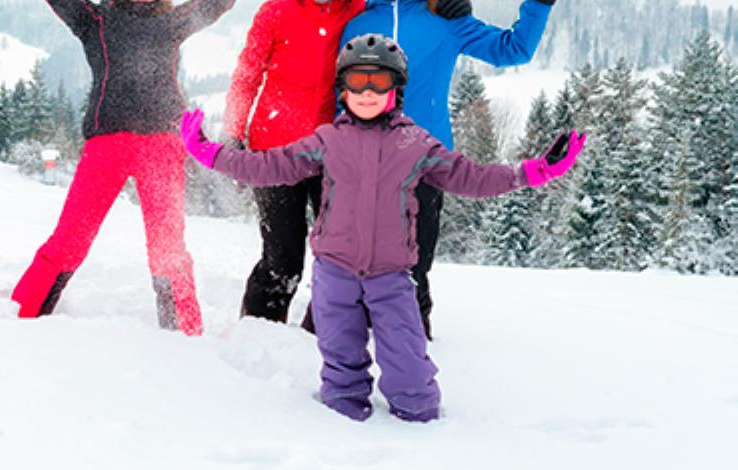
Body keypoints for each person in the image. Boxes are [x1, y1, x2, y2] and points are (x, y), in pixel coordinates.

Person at [181, 34, 585, 420]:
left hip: (391, 277)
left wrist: (536, 171)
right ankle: (344, 432)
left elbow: (474, 177)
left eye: (379, 81)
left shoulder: (417, 144)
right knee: (341, 368)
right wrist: (208, 151)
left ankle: (421, 429)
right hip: (334, 273)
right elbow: (266, 167)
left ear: (397, 89)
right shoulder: (326, 140)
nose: (368, 91)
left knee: (409, 369)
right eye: (358, 81)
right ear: (343, 88)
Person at [4, 0, 262, 336]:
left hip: (162, 145)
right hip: (106, 144)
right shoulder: (94, 21)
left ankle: (184, 334)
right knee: (70, 239)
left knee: (168, 247)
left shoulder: (173, 22)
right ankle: (21, 319)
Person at [340, 0, 591, 339]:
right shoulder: (356, 25)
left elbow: (515, 49)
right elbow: (336, 94)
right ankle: (343, 341)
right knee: (350, 261)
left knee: (413, 266)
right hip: (361, 164)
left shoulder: (445, 19)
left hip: (424, 161)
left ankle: (413, 346)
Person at [223, 0, 472, 326]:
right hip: (276, 150)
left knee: (337, 256)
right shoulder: (275, 13)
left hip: (335, 157)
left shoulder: (358, 15)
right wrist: (233, 134)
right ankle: (259, 331)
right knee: (282, 257)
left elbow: (401, 11)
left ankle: (320, 331)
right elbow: (246, 75)